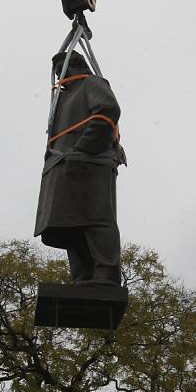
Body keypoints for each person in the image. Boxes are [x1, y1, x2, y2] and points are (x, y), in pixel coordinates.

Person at [34, 50, 126, 286]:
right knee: (69, 221)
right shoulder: (62, 99)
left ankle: (105, 273)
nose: (59, 76)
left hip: (91, 164)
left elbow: (107, 112)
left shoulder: (91, 83)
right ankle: (83, 276)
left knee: (96, 218)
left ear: (73, 67)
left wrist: (83, 148)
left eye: (61, 69)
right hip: (64, 166)